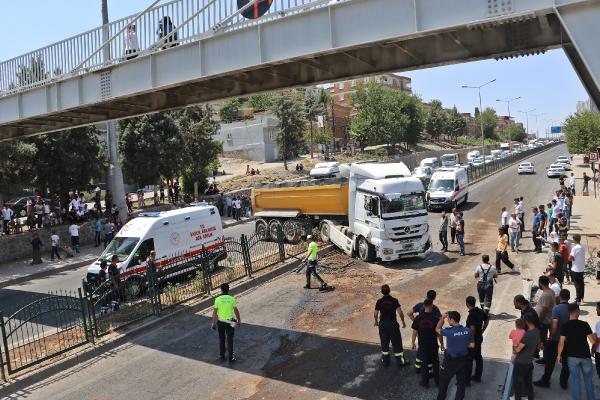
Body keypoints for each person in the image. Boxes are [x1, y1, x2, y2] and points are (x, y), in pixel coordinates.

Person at [534, 289, 571, 389]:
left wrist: (551, 336)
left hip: (556, 340)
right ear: (569, 298)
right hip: (568, 341)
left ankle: (545, 381)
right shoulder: (572, 309)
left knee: (550, 362)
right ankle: (563, 383)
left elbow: (554, 325)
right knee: (566, 363)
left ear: (560, 297)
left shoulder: (557, 309)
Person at [558, 303, 595, 400]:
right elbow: (592, 341)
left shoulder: (565, 326)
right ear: (578, 311)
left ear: (569, 312)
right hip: (585, 356)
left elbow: (561, 343)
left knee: (575, 381)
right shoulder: (584, 324)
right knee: (588, 380)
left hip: (572, 357)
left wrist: (559, 356)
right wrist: (593, 350)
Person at [436, 311, 474, 400]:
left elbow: (437, 329)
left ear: (452, 320)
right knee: (461, 384)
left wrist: (442, 318)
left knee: (444, 381)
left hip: (450, 361)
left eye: (448, 319)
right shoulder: (467, 330)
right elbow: (472, 345)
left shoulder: (449, 332)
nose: (448, 320)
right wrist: (463, 344)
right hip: (463, 361)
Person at [375, 284, 409, 367]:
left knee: (384, 342)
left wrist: (376, 322)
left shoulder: (379, 301)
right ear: (389, 291)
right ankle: (400, 362)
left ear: (382, 292)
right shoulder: (394, 300)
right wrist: (403, 322)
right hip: (392, 324)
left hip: (382, 324)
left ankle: (385, 361)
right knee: (396, 342)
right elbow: (400, 312)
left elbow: (375, 313)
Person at [411, 298, 442, 388]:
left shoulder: (418, 318)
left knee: (424, 363)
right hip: (433, 344)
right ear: (432, 306)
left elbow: (414, 332)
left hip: (423, 345)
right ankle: (438, 382)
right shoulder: (436, 319)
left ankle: (425, 383)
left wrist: (413, 342)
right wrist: (442, 344)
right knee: (435, 363)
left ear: (423, 306)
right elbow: (439, 334)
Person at [512, 313, 541, 400]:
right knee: (528, 385)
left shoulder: (527, 335)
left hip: (520, 364)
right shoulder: (537, 331)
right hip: (529, 363)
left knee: (517, 385)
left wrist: (514, 344)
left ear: (526, 322)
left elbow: (517, 350)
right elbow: (539, 346)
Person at [211, 283, 241, 363]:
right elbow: (236, 310)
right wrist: (238, 320)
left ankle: (222, 356)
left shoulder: (217, 299)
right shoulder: (232, 298)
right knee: (230, 339)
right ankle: (230, 357)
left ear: (221, 290)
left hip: (220, 322)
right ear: (228, 289)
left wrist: (213, 323)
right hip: (230, 322)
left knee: (221, 339)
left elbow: (214, 313)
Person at [465, 296, 489, 384]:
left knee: (469, 359)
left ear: (467, 304)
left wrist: (469, 341)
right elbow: (487, 319)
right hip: (479, 337)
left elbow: (472, 329)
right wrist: (483, 330)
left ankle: (466, 380)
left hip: (473, 340)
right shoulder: (480, 311)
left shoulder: (471, 315)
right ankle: (477, 376)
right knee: (478, 357)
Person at [534, 275, 556, 363]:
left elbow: (545, 309)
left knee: (543, 340)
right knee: (542, 339)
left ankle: (545, 358)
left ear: (541, 283)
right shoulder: (550, 291)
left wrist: (539, 320)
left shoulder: (546, 294)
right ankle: (540, 354)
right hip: (546, 320)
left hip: (544, 321)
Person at [569, 234, 586, 304]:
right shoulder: (582, 246)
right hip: (581, 268)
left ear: (574, 239)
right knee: (581, 283)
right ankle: (581, 297)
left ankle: (578, 300)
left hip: (575, 268)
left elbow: (570, 258)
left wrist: (571, 258)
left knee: (577, 285)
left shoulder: (575, 248)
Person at [593, 302, 600, 379]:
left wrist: (593, 349)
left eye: (597, 308)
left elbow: (598, 339)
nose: (596, 310)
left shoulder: (599, 323)